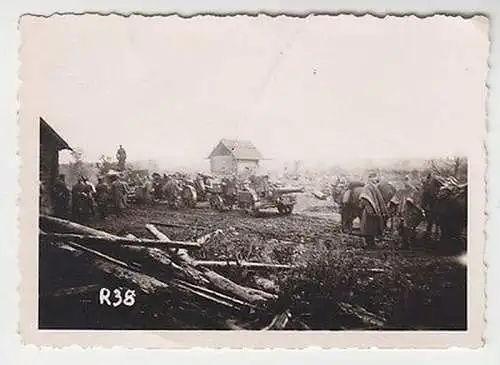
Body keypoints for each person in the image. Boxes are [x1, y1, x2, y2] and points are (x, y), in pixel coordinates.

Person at [359, 172, 388, 247]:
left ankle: (372, 243)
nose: (376, 179)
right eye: (374, 178)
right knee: (369, 227)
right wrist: (370, 211)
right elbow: (364, 199)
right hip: (370, 211)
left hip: (374, 211)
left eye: (376, 177)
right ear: (370, 178)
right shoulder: (368, 187)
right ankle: (369, 243)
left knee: (373, 227)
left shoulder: (373, 187)